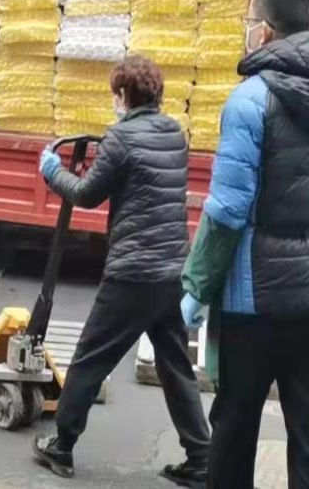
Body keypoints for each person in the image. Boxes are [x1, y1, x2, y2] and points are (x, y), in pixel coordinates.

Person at [180, 0, 309, 489]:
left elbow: (227, 211)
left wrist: (195, 289)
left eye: (249, 18)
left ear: (264, 29)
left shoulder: (250, 100)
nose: (247, 28)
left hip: (256, 302)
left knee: (234, 428)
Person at [32, 55, 210, 487]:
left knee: (91, 358)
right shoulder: (174, 134)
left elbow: (87, 194)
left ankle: (62, 445)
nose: (114, 100)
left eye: (116, 93)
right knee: (175, 365)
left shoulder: (121, 138)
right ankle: (202, 458)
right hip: (170, 270)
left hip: (133, 272)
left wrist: (52, 172)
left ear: (125, 95)